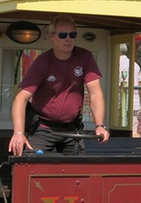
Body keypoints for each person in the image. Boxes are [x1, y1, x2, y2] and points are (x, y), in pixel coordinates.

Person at [9, 15, 110, 156]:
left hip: (72, 129)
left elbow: (95, 93)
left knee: (77, 173)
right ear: (51, 36)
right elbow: (20, 99)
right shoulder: (42, 63)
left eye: (72, 34)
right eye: (63, 35)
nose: (68, 39)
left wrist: (99, 125)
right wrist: (18, 133)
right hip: (43, 128)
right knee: (29, 164)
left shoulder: (85, 57)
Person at [118, 43, 141, 137]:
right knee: (133, 129)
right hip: (135, 102)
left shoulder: (116, 63)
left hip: (120, 102)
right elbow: (140, 83)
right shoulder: (135, 65)